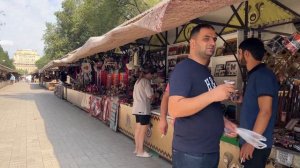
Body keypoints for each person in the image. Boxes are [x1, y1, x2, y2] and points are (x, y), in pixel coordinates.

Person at [168, 24, 237, 168]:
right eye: (206, 39)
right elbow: (175, 109)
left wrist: (223, 121)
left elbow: (206, 107)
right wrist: (213, 94)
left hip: (207, 151)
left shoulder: (203, 71)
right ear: (193, 43)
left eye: (214, 39)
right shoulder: (184, 69)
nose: (212, 42)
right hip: (191, 154)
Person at [237, 38, 279, 168]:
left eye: (239, 53)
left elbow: (265, 111)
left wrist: (251, 143)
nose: (238, 56)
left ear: (246, 54)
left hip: (257, 144)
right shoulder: (256, 75)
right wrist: (242, 99)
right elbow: (258, 104)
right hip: (251, 141)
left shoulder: (262, 76)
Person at [132, 67, 155, 158]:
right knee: (142, 131)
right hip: (143, 109)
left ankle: (137, 149)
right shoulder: (145, 81)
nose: (152, 76)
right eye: (151, 74)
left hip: (137, 108)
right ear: (148, 73)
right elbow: (150, 96)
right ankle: (140, 152)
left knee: (138, 129)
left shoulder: (138, 81)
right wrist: (154, 95)